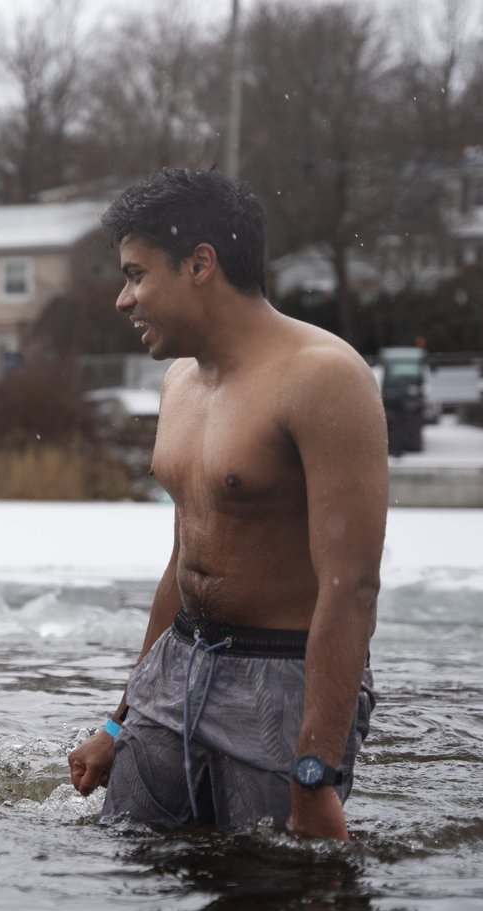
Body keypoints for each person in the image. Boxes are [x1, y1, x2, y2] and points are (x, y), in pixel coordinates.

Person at [66, 168, 387, 840]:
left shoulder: (324, 376)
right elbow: (183, 560)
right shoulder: (179, 380)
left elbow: (350, 586)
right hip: (175, 672)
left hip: (279, 679)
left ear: (200, 264)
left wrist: (314, 769)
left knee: (267, 894)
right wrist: (117, 720)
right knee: (136, 867)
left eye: (136, 274)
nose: (125, 300)